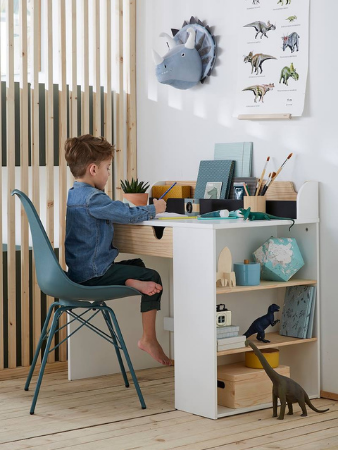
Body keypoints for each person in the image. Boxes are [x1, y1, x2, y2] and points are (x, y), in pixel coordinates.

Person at [64, 134, 172, 366]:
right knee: (152, 276)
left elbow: (114, 209)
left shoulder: (75, 194)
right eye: (108, 168)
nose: (109, 173)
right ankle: (148, 339)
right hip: (94, 275)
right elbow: (127, 214)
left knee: (137, 267)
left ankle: (130, 281)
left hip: (79, 273)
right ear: (93, 169)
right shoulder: (93, 198)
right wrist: (155, 208)